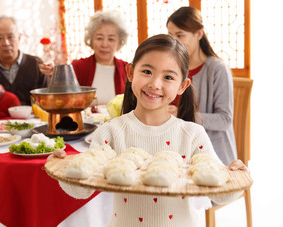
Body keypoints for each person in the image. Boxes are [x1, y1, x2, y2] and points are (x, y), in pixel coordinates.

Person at [48, 34, 249, 226]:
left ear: (182, 85)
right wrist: (62, 168)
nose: (154, 84)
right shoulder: (111, 132)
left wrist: (236, 176)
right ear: (130, 73)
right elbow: (81, 188)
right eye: (146, 72)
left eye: (168, 77)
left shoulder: (193, 135)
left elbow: (220, 193)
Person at [166, 6, 237, 166]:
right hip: (176, 151)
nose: (174, 42)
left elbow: (224, 119)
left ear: (198, 33)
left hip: (212, 156)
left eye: (180, 35)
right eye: (170, 35)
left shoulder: (217, 69)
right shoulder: (172, 68)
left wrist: (183, 114)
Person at [39, 10, 128, 105]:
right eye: (99, 38)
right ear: (91, 40)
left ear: (119, 42)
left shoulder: (127, 69)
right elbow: (63, 84)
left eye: (111, 39)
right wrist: (54, 71)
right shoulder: (79, 67)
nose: (104, 44)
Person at [0, 16, 50, 105]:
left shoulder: (36, 64)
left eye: (10, 37)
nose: (6, 43)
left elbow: (49, 98)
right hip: (0, 119)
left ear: (19, 37)